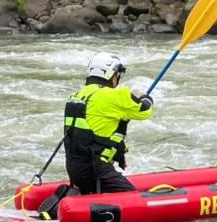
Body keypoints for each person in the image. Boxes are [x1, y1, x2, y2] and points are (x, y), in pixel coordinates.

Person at [63, 51, 155, 194]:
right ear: (111, 74)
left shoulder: (77, 96)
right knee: (132, 199)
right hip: (97, 170)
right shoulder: (114, 96)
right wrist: (146, 98)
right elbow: (145, 111)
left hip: (74, 168)